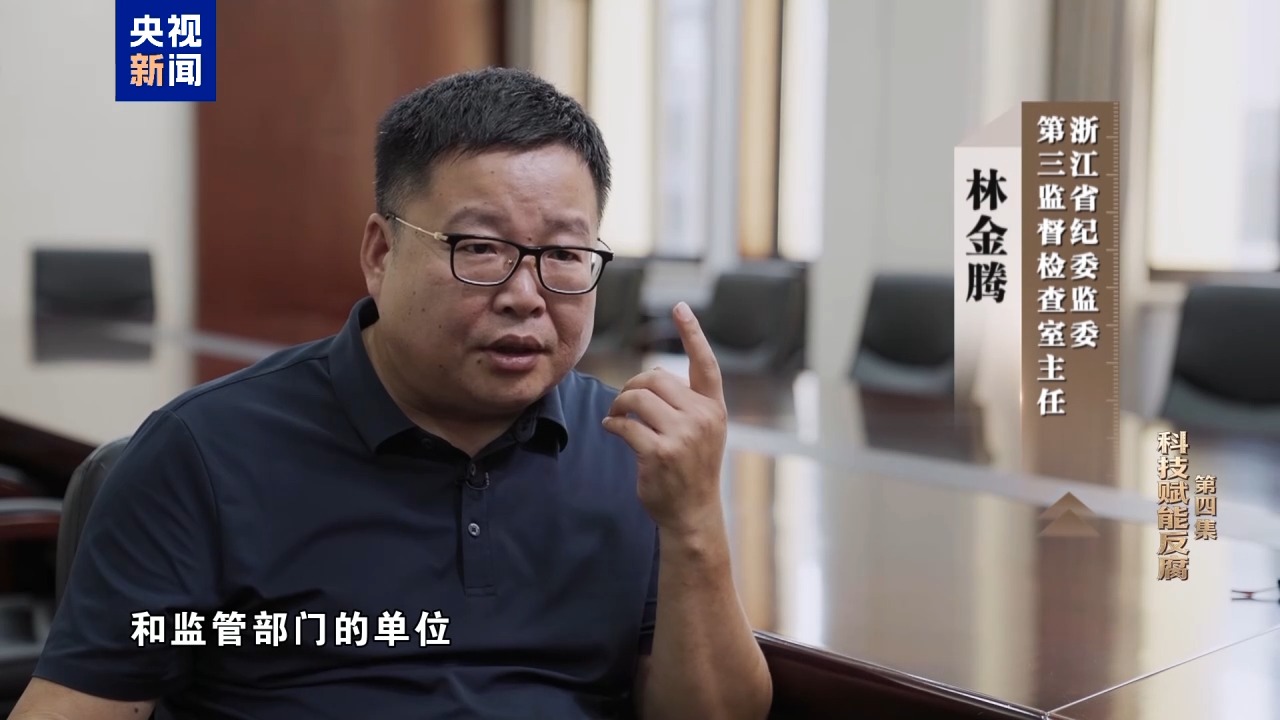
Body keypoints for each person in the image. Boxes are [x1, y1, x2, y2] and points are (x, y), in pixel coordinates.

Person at [11, 68, 772, 719]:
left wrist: (694, 522)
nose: (525, 295)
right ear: (381, 253)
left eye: (565, 255)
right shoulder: (204, 454)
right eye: (480, 247)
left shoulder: (634, 454)